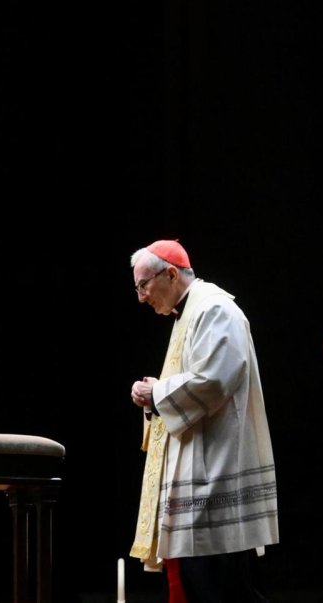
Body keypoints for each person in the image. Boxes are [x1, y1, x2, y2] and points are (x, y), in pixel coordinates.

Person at [128, 239, 279, 603]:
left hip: (215, 476)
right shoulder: (190, 313)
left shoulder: (214, 308)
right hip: (197, 479)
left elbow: (213, 381)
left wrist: (157, 393)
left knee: (223, 588)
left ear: (171, 274)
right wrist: (154, 396)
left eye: (143, 285)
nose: (142, 298)